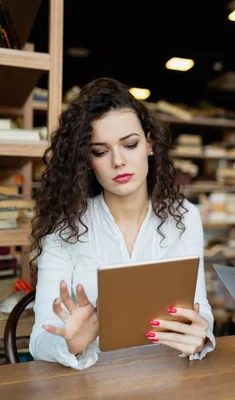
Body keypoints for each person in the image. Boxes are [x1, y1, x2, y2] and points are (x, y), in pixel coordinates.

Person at [28, 77, 215, 370]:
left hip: (168, 379)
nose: (118, 161)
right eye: (100, 151)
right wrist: (71, 342)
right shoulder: (64, 229)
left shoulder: (184, 217)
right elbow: (39, 339)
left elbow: (198, 308)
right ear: (86, 160)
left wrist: (199, 335)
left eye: (129, 145)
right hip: (90, 385)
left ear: (150, 144)